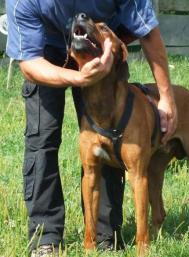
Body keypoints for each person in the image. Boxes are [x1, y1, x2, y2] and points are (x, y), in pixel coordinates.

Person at [6, 0, 177, 256]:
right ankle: (46, 238)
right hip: (45, 49)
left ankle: (105, 235)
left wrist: (166, 96)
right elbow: (29, 63)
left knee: (114, 132)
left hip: (101, 49)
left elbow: (147, 31)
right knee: (42, 138)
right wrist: (79, 78)